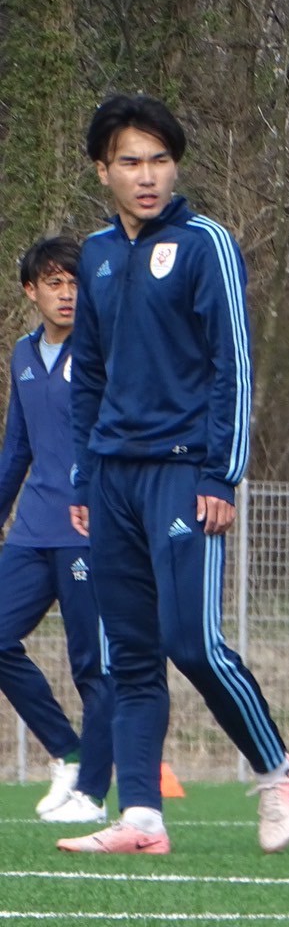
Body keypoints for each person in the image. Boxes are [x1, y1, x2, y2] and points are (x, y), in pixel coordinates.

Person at [59, 94, 289, 855]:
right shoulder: (95, 254)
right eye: (130, 162)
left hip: (183, 472)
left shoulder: (206, 245)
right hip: (111, 478)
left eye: (160, 160)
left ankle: (275, 769)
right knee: (128, 656)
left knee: (191, 642)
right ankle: (142, 817)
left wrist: (220, 475)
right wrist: (81, 481)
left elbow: (234, 365)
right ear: (102, 170)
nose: (147, 176)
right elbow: (87, 375)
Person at [0, 237, 113, 824]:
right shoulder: (22, 354)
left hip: (86, 531)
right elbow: (16, 447)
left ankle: (92, 792)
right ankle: (67, 754)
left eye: (74, 282)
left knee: (91, 664)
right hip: (30, 532)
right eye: (54, 283)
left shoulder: (102, 351)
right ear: (31, 291)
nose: (67, 293)